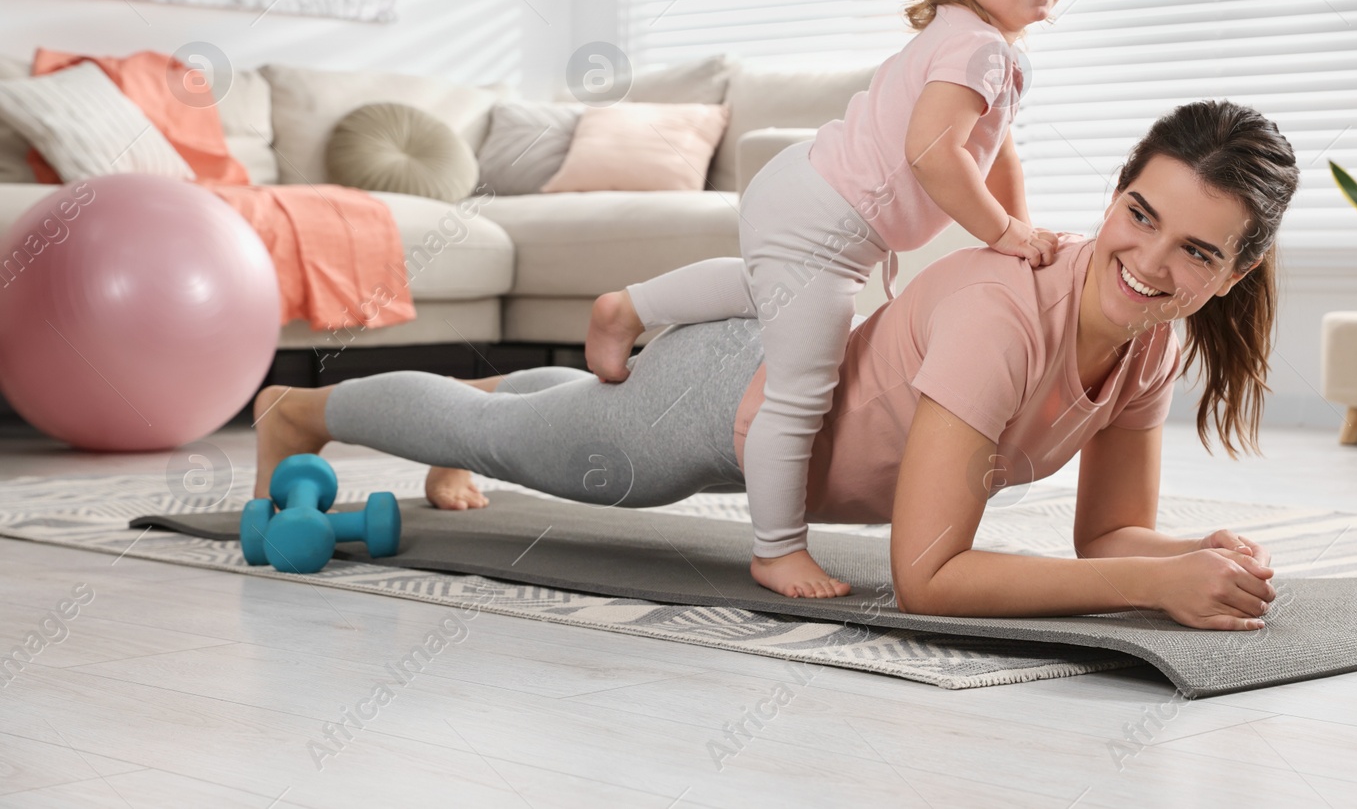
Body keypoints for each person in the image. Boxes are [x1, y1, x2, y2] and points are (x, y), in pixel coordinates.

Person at [251, 100, 1299, 630]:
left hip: (768, 370)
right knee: (511, 446)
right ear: (1115, 192)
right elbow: (927, 578)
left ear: (1234, 272)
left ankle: (499, 395)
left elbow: (1103, 533)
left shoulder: (1150, 343)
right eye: (1139, 215)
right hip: (722, 405)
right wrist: (1152, 583)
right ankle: (302, 410)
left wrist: (1177, 549)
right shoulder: (1001, 312)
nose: (1149, 264)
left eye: (1196, 251)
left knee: (537, 419)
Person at [587, 0, 1074, 601]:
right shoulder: (975, 48)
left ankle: (631, 305)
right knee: (801, 387)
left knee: (767, 287)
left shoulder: (984, 45)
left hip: (806, 194)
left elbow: (997, 146)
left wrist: (1018, 226)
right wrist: (1003, 231)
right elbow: (932, 153)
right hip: (825, 219)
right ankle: (775, 548)